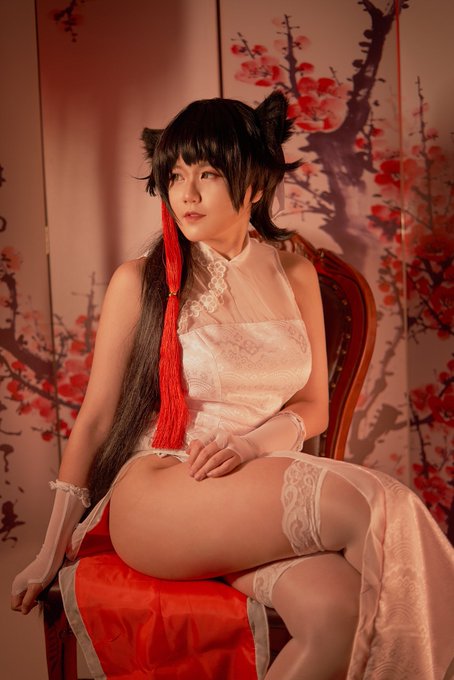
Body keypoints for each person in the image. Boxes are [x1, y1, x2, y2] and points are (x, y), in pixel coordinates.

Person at [11, 92, 454, 680]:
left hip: (247, 492)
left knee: (340, 615)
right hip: (163, 493)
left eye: (208, 174)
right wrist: (48, 552)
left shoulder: (295, 272)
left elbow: (313, 405)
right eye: (174, 176)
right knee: (382, 505)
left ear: (255, 183)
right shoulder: (141, 281)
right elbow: (94, 420)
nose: (186, 194)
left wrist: (249, 446)